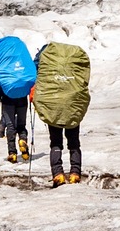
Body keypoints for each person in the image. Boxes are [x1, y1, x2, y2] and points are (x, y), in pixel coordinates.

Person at [33, 41, 91, 185]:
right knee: (74, 142)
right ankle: (75, 173)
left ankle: (58, 174)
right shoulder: (75, 58)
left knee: (56, 142)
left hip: (53, 105)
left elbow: (36, 70)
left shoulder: (46, 53)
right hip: (72, 104)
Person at [0, 35, 37, 163]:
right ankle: (23, 140)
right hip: (22, 96)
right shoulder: (20, 55)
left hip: (7, 97)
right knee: (22, 124)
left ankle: (12, 153)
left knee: (10, 125)